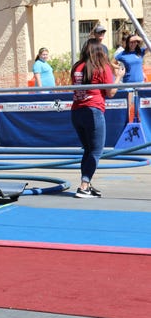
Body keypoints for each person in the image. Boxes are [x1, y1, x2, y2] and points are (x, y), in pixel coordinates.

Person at [70, 38, 125, 198]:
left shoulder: (77, 66)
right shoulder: (101, 67)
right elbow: (111, 92)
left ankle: (87, 184)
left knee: (88, 149)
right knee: (96, 150)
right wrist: (119, 77)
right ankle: (84, 186)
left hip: (76, 111)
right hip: (93, 111)